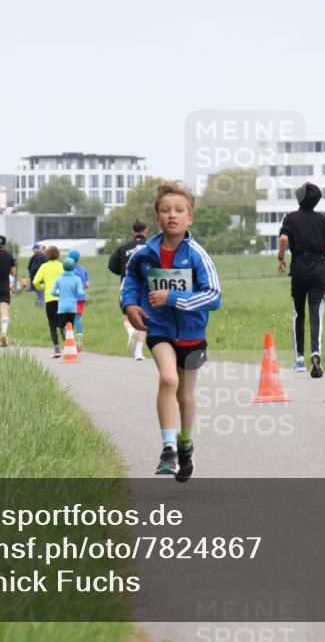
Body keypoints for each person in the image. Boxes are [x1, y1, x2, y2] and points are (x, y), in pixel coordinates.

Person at [121, 182, 221, 482]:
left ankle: (185, 443)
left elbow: (214, 296)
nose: (172, 215)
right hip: (159, 328)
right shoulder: (144, 254)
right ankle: (168, 450)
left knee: (185, 396)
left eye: (179, 210)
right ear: (157, 218)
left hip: (192, 333)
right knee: (168, 379)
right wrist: (130, 305)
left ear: (190, 218)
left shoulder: (198, 255)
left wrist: (173, 298)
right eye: (165, 210)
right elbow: (130, 281)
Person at [277, 182, 325, 379]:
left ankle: (300, 359)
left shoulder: (290, 218)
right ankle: (316, 352)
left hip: (299, 269)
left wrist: (281, 258)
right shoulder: (323, 220)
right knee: (316, 311)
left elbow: (283, 240)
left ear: (299, 198)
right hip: (319, 269)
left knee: (298, 313)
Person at [108, 219, 149, 360]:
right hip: (145, 286)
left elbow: (112, 265)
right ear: (146, 231)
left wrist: (122, 272)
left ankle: (131, 331)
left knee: (127, 317)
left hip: (127, 285)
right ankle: (139, 352)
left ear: (133, 232)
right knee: (143, 318)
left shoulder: (123, 248)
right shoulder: (150, 246)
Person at [33, 246, 64, 357]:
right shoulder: (62, 266)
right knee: (62, 322)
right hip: (62, 298)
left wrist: (43, 287)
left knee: (52, 324)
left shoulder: (44, 267)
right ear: (58, 254)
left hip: (50, 299)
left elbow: (35, 281)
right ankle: (68, 342)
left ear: (47, 255)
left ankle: (56, 348)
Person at [51, 257, 85, 340]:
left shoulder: (59, 279)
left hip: (62, 306)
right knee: (70, 326)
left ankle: (64, 335)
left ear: (63, 267)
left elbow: (52, 292)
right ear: (73, 267)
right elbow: (81, 292)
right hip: (72, 306)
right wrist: (75, 294)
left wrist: (59, 294)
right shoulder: (77, 279)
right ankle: (71, 339)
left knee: (62, 325)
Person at [68, 249, 90, 351]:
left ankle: (70, 339)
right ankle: (79, 334)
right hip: (81, 298)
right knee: (77, 318)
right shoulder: (83, 270)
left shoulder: (69, 270)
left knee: (69, 319)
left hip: (71, 298)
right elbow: (87, 285)